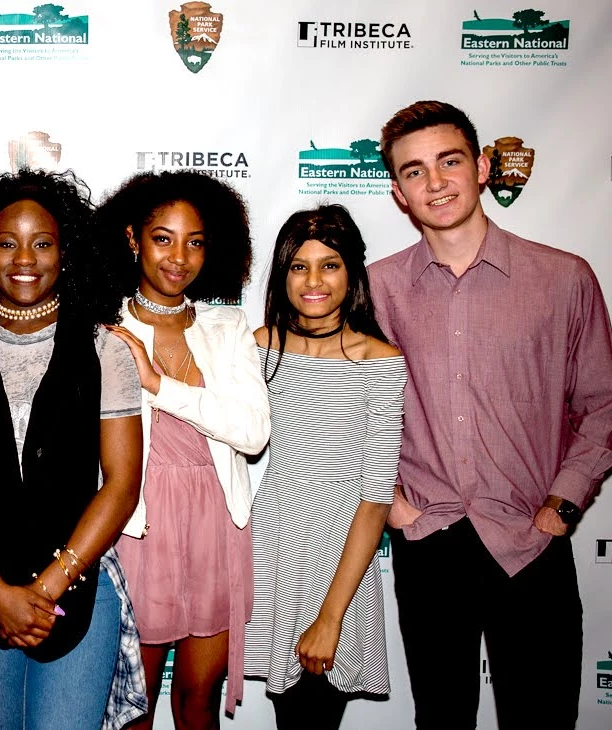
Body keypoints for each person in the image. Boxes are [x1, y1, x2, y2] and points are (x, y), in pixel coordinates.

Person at [370, 100, 612, 730]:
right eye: (415, 172)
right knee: (441, 720)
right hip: (429, 543)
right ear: (398, 192)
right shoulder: (377, 290)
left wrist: (562, 507)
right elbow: (349, 410)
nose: (436, 182)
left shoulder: (563, 279)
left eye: (449, 162)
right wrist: (394, 506)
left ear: (481, 167)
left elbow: (604, 404)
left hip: (532, 542)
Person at [0, 168, 146, 729]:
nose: (25, 259)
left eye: (42, 243)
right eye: (7, 243)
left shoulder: (104, 350)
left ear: (67, 253)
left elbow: (120, 483)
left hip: (78, 586)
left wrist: (47, 586)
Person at [94, 170, 270, 728]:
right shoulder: (100, 328)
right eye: (163, 237)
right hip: (135, 527)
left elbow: (252, 431)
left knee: (198, 702)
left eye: (194, 241)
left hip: (216, 528)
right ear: (132, 240)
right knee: (132, 703)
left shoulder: (227, 325)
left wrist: (156, 382)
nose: (179, 256)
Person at [247, 204, 404, 730]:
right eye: (299, 266)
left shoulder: (381, 361)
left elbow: (377, 495)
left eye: (329, 265)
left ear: (352, 271)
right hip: (270, 548)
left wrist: (331, 616)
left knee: (314, 718)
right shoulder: (258, 347)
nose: (313, 281)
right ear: (282, 274)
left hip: (340, 561)